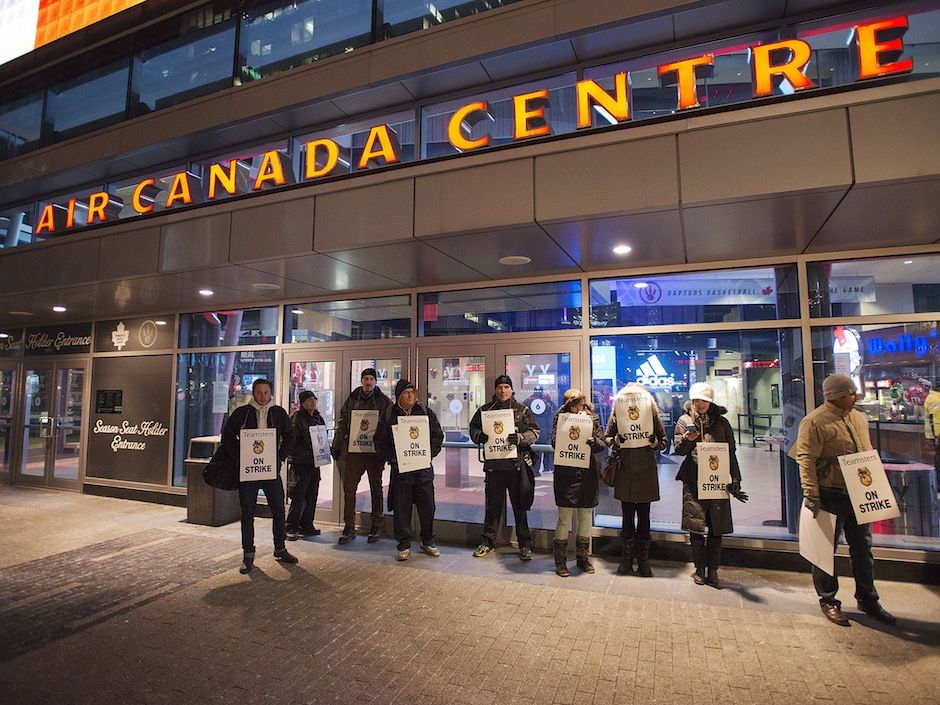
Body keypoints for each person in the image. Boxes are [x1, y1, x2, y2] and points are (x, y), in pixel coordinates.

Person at [795, 373, 896, 626]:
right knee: (825, 551)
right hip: (831, 493)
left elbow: (867, 450)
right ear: (839, 395)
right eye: (852, 393)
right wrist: (811, 493)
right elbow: (805, 458)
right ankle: (828, 599)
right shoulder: (815, 422)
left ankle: (868, 598)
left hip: (859, 493)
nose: (856, 397)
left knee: (863, 548)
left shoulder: (858, 418)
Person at [673, 382, 748, 588]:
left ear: (710, 401)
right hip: (694, 480)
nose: (700, 403)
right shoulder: (685, 421)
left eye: (704, 400)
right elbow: (679, 450)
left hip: (717, 480)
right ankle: (699, 568)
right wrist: (689, 439)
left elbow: (731, 452)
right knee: (696, 527)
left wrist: (735, 479)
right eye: (696, 400)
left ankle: (713, 569)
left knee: (716, 527)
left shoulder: (721, 423)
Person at [221, 378, 297, 574]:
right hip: (249, 473)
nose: (262, 396)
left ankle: (280, 548)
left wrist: (280, 457)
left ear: (270, 393)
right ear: (253, 393)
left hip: (271, 471)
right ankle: (248, 554)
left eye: (266, 392)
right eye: (259, 392)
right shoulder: (242, 413)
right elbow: (227, 436)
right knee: (247, 513)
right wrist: (240, 457)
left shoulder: (279, 413)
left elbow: (290, 436)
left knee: (279, 510)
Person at [469, 375, 540, 561]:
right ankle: (487, 542)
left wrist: (522, 438)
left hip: (516, 467)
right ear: (495, 389)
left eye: (506, 387)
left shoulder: (522, 409)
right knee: (492, 508)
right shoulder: (485, 410)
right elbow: (473, 429)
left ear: (511, 389)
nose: (502, 390)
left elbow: (535, 431)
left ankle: (524, 544)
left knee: (520, 507)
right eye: (499, 387)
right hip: (494, 467)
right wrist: (479, 436)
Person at [374, 379, 444, 561]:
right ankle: (404, 544)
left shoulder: (425, 412)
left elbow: (438, 436)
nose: (410, 395)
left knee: (427, 507)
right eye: (406, 392)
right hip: (401, 472)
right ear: (398, 396)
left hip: (423, 471)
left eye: (412, 392)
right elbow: (379, 442)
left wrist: (429, 454)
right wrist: (392, 458)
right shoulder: (389, 414)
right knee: (401, 509)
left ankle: (428, 540)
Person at [604, 383, 668, 577]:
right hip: (626, 470)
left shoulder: (650, 411)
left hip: (645, 470)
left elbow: (664, 440)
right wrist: (616, 441)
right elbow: (608, 437)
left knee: (643, 517)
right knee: (628, 517)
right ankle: (629, 561)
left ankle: (641, 561)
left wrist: (654, 441)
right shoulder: (619, 410)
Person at [331, 368, 392, 544]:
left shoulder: (383, 401)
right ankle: (349, 526)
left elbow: (389, 424)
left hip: (374, 454)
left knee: (376, 489)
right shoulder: (352, 399)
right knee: (349, 489)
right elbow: (343, 422)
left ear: (375, 381)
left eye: (371, 378)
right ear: (361, 380)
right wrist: (337, 444)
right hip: (355, 451)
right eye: (366, 378)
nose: (368, 382)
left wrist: (386, 450)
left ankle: (376, 525)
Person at [550, 389, 605, 577]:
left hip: (587, 473)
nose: (575, 406)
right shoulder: (560, 418)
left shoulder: (592, 419)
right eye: (570, 403)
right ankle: (560, 561)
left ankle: (583, 558)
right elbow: (554, 442)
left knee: (585, 518)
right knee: (564, 518)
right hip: (566, 473)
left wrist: (593, 442)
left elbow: (602, 442)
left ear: (583, 402)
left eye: (577, 402)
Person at [286, 390, 325, 541]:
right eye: (309, 400)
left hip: (315, 462)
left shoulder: (317, 417)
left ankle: (307, 524)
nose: (313, 402)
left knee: (312, 494)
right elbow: (293, 441)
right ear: (302, 403)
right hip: (301, 463)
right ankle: (291, 526)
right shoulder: (297, 418)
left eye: (314, 399)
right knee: (298, 495)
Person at [523, 384, 557, 476]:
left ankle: (534, 470)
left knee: (534, 450)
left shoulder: (527, 402)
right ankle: (546, 467)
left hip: (531, 430)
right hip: (544, 429)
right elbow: (551, 417)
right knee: (544, 449)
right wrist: (550, 431)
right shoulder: (547, 403)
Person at [924, 380, 940, 488]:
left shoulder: (932, 397)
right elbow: (936, 420)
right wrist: (937, 436)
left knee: (937, 460)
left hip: (934, 436)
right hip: (938, 436)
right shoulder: (936, 399)